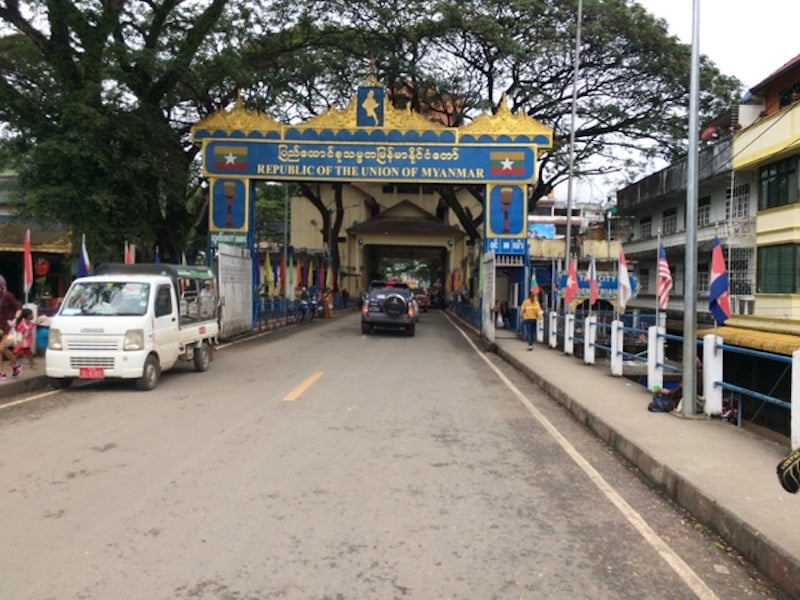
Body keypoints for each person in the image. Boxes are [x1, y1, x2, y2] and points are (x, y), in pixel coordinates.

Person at [0, 275, 22, 380]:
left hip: (7, 327)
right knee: (1, 349)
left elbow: (18, 308)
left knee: (1, 348)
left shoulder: (8, 296)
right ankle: (12, 367)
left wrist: (15, 319)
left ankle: (4, 371)